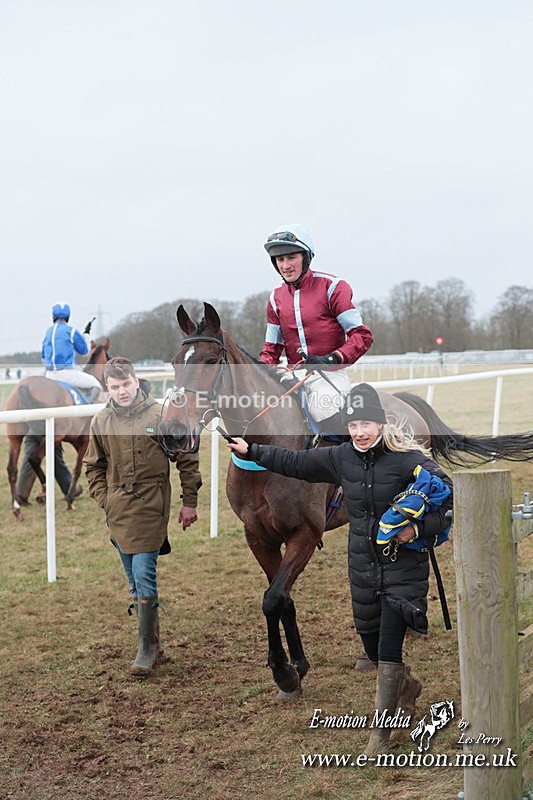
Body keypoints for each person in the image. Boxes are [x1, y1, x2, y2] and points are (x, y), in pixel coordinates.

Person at [226, 383, 453, 755]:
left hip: (401, 568)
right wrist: (253, 451)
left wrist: (416, 528)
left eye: (367, 424)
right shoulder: (341, 458)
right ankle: (407, 687)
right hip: (362, 567)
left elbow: (448, 494)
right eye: (354, 425)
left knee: (388, 649)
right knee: (372, 644)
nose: (361, 432)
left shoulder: (408, 458)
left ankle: (378, 738)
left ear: (381, 425)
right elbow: (295, 463)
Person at [84, 357, 202, 677]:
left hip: (152, 506)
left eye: (126, 384)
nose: (121, 391)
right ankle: (154, 643)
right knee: (134, 583)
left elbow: (187, 458)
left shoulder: (161, 413)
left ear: (136, 381)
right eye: (114, 387)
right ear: (107, 388)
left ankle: (146, 649)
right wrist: (105, 500)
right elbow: (92, 466)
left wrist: (189, 501)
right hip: (118, 510)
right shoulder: (101, 421)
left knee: (143, 573)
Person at [259, 224, 373, 432]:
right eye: (280, 259)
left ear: (306, 257)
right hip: (291, 374)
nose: (285, 265)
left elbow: (362, 337)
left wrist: (331, 359)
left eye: (291, 257)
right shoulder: (275, 298)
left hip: (329, 375)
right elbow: (271, 349)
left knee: (323, 409)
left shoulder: (333, 287)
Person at [42, 302, 102, 400]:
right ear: (68, 316)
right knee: (95, 384)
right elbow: (85, 352)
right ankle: (86, 409)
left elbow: (44, 357)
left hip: (49, 375)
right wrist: (86, 336)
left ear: (53, 316)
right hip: (66, 374)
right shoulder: (71, 331)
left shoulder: (48, 332)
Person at [15, 433, 82, 505]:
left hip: (32, 427)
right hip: (49, 430)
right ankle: (69, 489)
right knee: (55, 457)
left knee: (30, 454)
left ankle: (21, 494)